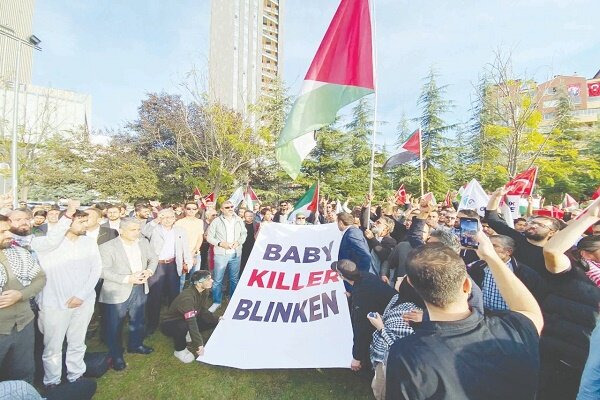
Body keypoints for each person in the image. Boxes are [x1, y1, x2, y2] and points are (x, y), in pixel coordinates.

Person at [385, 237, 543, 399]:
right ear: (467, 285)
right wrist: (492, 257)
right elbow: (528, 309)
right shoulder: (513, 328)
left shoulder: (407, 354)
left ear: (410, 283)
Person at [36, 210, 102, 388]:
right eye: (81, 222)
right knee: (52, 347)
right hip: (54, 304)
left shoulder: (89, 243)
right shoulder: (46, 243)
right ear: (66, 222)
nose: (85, 225)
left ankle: (76, 375)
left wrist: (81, 296)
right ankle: (52, 381)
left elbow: (96, 270)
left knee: (77, 341)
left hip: (84, 302)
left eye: (86, 221)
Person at [542, 200, 600, 399]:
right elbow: (552, 251)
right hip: (562, 360)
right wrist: (591, 216)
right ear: (586, 254)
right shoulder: (574, 271)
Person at [99, 219, 158, 371]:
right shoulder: (107, 247)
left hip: (140, 287)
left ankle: (136, 344)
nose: (137, 232)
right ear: (121, 230)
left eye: (138, 229)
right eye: (133, 230)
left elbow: (153, 258)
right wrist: (127, 279)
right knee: (114, 325)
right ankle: (116, 355)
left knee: (138, 318)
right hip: (117, 290)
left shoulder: (143, 242)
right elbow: (103, 271)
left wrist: (149, 271)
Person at [0, 214, 46, 384]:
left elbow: (40, 278)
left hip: (23, 325)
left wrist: (21, 295)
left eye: (8, 229)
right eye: (3, 231)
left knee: (24, 373)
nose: (9, 234)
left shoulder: (19, 252)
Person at [331, 259, 397, 374]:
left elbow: (361, 330)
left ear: (341, 276)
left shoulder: (361, 298)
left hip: (391, 320)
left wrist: (357, 358)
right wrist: (352, 297)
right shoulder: (366, 276)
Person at [486, 187, 561, 275]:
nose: (534, 226)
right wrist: (495, 197)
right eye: (532, 222)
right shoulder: (516, 238)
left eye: (541, 225)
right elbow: (492, 219)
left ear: (551, 232)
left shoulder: (551, 254)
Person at [368, 277, 421, 400]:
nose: (398, 277)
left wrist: (381, 327)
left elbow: (398, 345)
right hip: (381, 352)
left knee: (381, 389)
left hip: (389, 359)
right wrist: (382, 319)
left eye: (403, 278)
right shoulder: (396, 297)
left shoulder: (411, 313)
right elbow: (390, 318)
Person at [143, 208, 192, 334]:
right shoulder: (154, 228)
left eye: (170, 217)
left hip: (173, 265)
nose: (167, 220)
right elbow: (143, 232)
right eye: (163, 217)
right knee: (155, 296)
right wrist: (156, 220)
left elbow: (185, 248)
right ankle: (152, 324)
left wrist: (187, 262)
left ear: (175, 218)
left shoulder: (180, 230)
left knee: (174, 295)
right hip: (157, 265)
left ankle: (173, 322)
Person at [467, 235, 547, 311]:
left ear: (508, 251)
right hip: (483, 315)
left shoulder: (524, 272)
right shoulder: (476, 266)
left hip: (509, 318)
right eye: (487, 245)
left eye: (494, 246)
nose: (487, 248)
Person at [161, 271, 219, 363]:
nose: (212, 280)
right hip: (171, 323)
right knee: (183, 326)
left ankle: (188, 333)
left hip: (188, 317)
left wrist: (216, 319)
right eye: (208, 279)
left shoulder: (204, 291)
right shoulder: (187, 298)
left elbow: (203, 310)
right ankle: (179, 350)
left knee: (212, 322)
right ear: (199, 283)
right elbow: (191, 322)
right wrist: (199, 344)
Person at [205, 201, 247, 312]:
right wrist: (220, 243)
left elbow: (244, 234)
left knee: (234, 279)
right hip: (221, 255)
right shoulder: (216, 221)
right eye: (227, 207)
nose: (230, 208)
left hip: (236, 254)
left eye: (231, 206)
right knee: (218, 280)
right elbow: (209, 237)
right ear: (222, 210)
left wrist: (238, 242)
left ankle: (232, 300)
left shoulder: (239, 220)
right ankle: (216, 302)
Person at [174, 202, 205, 289]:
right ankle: (179, 300)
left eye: (194, 209)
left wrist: (194, 251)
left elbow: (200, 238)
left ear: (197, 210)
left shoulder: (199, 222)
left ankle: (193, 299)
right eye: (188, 208)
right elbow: (177, 240)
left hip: (195, 254)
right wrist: (186, 255)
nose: (191, 210)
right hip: (182, 255)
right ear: (184, 209)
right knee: (181, 280)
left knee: (196, 279)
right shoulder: (179, 223)